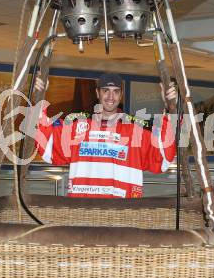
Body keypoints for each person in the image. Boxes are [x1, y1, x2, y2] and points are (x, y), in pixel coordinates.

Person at [35, 72, 176, 198]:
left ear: (121, 95)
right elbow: (47, 144)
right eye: (106, 91)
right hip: (83, 213)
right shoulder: (77, 127)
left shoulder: (135, 131)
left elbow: (162, 157)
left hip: (123, 214)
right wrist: (39, 98)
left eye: (115, 92)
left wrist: (169, 108)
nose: (110, 97)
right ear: (97, 93)